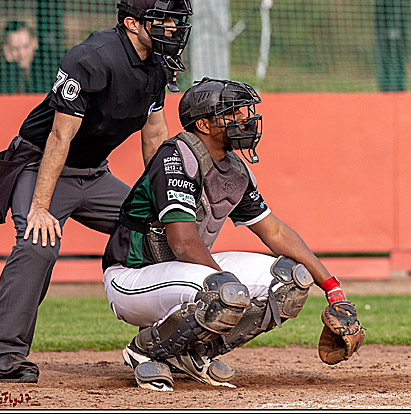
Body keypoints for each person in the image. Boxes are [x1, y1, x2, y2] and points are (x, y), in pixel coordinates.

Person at [0, 0, 193, 384]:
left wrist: (164, 201)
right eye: (160, 20)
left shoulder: (159, 64)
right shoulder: (91, 58)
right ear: (132, 23)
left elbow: (154, 134)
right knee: (37, 243)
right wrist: (40, 208)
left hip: (93, 173)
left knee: (161, 231)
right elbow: (59, 138)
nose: (172, 28)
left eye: (174, 20)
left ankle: (168, 346)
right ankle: (3, 354)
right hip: (42, 166)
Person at [102, 77, 365, 392]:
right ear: (203, 123)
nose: (245, 119)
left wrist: (333, 289)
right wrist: (230, 291)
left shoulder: (235, 170)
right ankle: (146, 350)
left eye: (243, 111)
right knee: (228, 290)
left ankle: (194, 353)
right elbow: (183, 244)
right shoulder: (178, 156)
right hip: (133, 278)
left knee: (291, 281)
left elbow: (276, 232)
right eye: (232, 113)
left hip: (186, 274)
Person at [0, 21, 44, 94]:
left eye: (26, 46)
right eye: (15, 48)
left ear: (34, 43)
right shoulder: (3, 77)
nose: (21, 53)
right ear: (7, 49)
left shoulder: (46, 70)